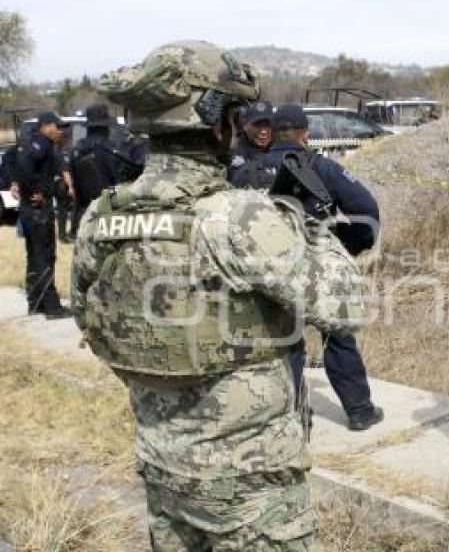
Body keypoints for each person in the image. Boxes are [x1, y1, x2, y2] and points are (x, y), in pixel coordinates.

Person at [71, 41, 368, 550]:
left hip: (163, 474)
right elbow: (346, 308)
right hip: (253, 496)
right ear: (219, 123)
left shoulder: (102, 218)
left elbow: (93, 321)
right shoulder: (239, 218)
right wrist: (309, 226)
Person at [236, 104, 384, 432]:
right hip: (319, 268)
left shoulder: (243, 172)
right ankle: (359, 410)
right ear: (305, 134)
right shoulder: (320, 166)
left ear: (272, 133)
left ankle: (295, 419)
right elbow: (366, 210)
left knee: (285, 342)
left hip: (269, 271)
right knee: (337, 335)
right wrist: (349, 243)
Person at [12, 111, 72, 318]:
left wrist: (18, 184)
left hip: (31, 211)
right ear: (45, 126)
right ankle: (52, 307)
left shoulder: (32, 142)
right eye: (57, 126)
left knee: (35, 257)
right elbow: (24, 166)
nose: (60, 131)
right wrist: (36, 191)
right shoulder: (40, 144)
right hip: (38, 211)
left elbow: (14, 162)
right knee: (45, 257)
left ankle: (36, 303)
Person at [69, 104, 122, 238]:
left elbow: (73, 183)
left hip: (83, 213)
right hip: (108, 214)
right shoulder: (112, 150)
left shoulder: (77, 150)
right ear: (106, 127)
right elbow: (119, 181)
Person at [227, 100, 274, 183]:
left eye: (267, 125)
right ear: (246, 126)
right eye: (257, 125)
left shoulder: (279, 144)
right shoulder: (239, 150)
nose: (263, 131)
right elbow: (235, 179)